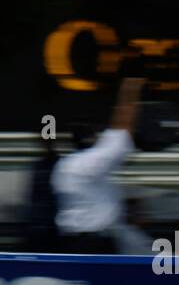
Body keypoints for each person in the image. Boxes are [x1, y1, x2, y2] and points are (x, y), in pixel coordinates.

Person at [51, 77, 144, 253]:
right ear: (94, 138)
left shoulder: (62, 166)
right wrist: (131, 89)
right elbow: (123, 128)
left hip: (70, 243)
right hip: (95, 245)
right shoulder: (93, 161)